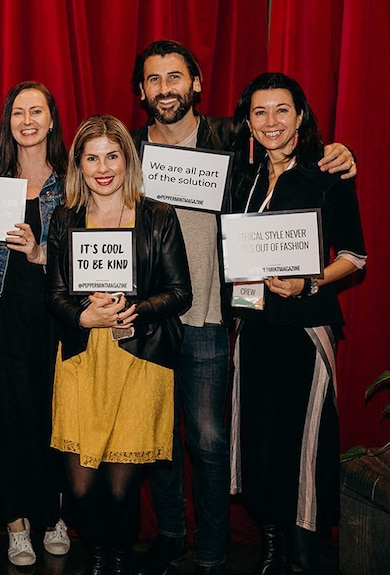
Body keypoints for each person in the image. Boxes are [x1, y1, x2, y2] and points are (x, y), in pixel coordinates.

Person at [129, 40, 357, 575]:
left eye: (175, 76)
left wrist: (338, 152)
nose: (166, 88)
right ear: (142, 91)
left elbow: (289, 143)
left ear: (197, 83)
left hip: (211, 315)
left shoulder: (233, 138)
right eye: (154, 79)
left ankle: (212, 550)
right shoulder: (130, 147)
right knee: (157, 440)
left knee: (209, 441)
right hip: (151, 317)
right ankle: (169, 534)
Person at [229, 72, 366, 575]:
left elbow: (354, 256)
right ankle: (271, 546)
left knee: (304, 443)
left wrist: (308, 283)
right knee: (260, 440)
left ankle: (304, 552)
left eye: (281, 110)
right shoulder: (241, 178)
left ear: (300, 116)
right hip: (253, 331)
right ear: (247, 121)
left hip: (306, 332)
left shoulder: (327, 174)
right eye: (260, 112)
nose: (271, 121)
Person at [46, 115, 192, 575]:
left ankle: (116, 563)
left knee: (120, 489)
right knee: (84, 488)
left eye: (112, 156)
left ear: (127, 160)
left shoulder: (159, 216)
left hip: (139, 360)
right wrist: (82, 315)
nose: (102, 167)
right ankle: (98, 555)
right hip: (82, 361)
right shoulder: (66, 218)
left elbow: (179, 291)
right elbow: (54, 292)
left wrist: (137, 309)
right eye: (92, 158)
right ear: (79, 165)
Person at [0, 81, 69, 566]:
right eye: (18, 112)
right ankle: (15, 523)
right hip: (1, 316)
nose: (28, 120)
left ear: (52, 119)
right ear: (8, 122)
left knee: (54, 416)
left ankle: (52, 513)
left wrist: (39, 252)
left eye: (37, 111)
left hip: (56, 318)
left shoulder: (74, 181)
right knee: (6, 417)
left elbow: (86, 258)